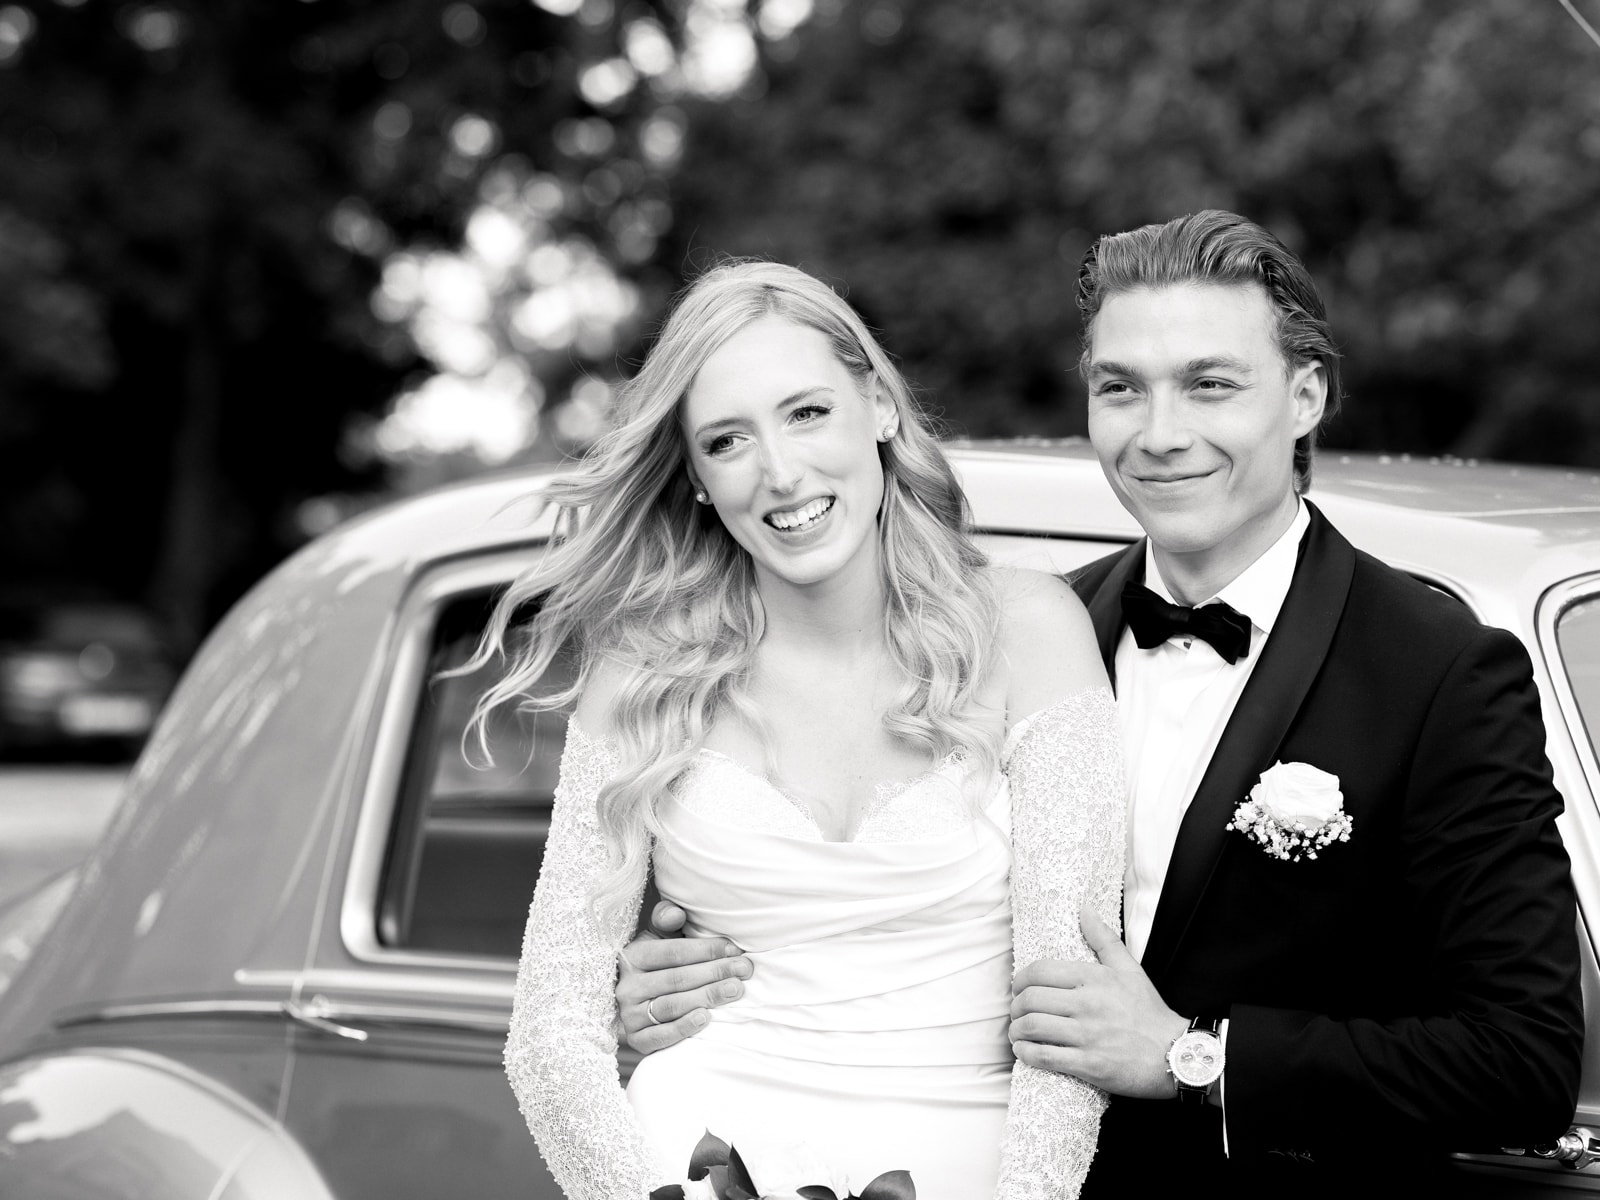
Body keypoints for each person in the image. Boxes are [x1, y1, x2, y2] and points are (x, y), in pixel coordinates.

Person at [617, 213, 1586, 1194]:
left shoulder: (1437, 673)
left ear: (1304, 396)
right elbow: (847, 889)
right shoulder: (1009, 638)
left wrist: (1194, 1056)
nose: (1160, 435)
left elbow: (1523, 1061)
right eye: (1120, 388)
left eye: (1210, 385)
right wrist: (675, 981)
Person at [490, 260, 1124, 1200]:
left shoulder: (1030, 631)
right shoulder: (644, 669)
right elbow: (550, 1029)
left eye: (807, 412)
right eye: (727, 440)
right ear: (697, 478)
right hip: (692, 1167)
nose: (780, 473)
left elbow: (1065, 1016)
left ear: (878, 407)